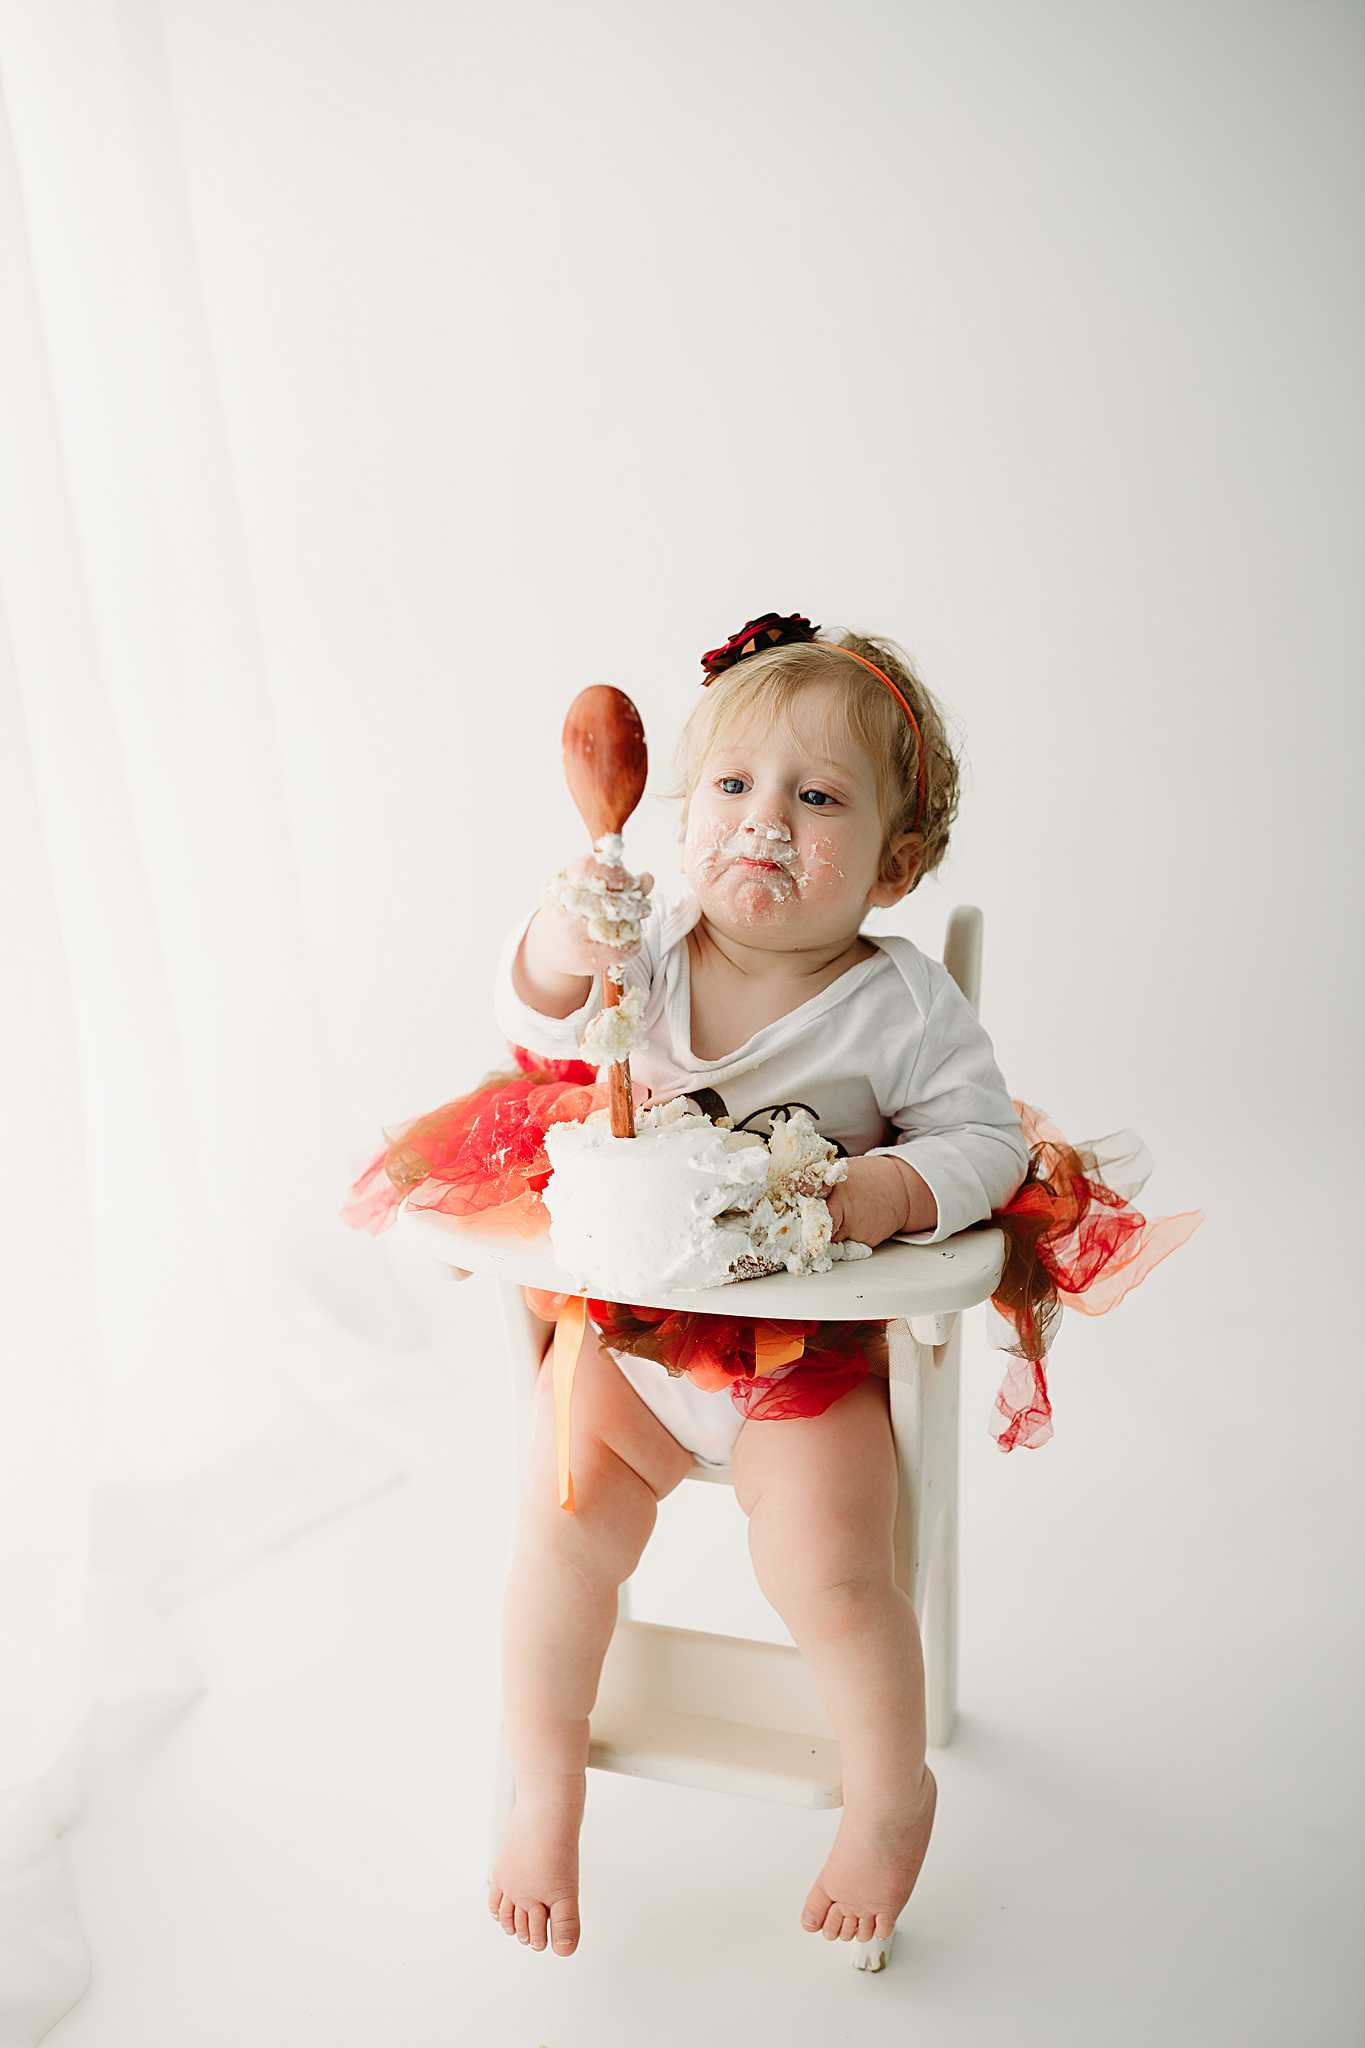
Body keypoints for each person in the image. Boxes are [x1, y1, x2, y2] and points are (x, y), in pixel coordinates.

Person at [342, 610, 1203, 1960]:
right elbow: (534, 1017)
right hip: (628, 1343)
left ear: (895, 862)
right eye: (735, 786)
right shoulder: (647, 947)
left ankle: (887, 1798)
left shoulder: (899, 1005)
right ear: (683, 814)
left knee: (835, 1580)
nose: (765, 822)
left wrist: (888, 1191)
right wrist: (567, 937)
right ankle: (546, 1792)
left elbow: (984, 1141)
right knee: (556, 1548)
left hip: (803, 1363)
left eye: (818, 799)